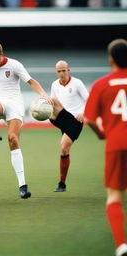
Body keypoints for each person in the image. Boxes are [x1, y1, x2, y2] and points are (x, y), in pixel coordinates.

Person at [0, 41, 51, 199]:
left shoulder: (15, 65)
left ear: (1, 54)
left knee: (13, 139)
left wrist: (43, 94)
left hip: (15, 105)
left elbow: (30, 81)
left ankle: (22, 185)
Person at [84, 39, 127, 256]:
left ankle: (121, 245)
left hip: (116, 144)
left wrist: (103, 135)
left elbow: (89, 119)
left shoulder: (101, 84)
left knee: (114, 197)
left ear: (110, 59)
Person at [49, 60, 89, 192]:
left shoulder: (77, 83)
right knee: (50, 101)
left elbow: (88, 100)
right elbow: (53, 103)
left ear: (68, 70)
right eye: (59, 71)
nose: (61, 73)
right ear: (56, 72)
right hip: (63, 118)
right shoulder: (54, 84)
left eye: (64, 70)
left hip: (75, 120)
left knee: (64, 147)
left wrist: (82, 112)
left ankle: (62, 184)